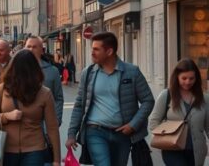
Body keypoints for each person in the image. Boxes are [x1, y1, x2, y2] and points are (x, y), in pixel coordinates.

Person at [66, 32, 154, 166]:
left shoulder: (132, 72)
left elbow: (148, 100)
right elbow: (79, 105)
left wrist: (133, 125)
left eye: (96, 49)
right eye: (92, 49)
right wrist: (72, 134)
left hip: (122, 134)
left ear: (109, 51)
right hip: (95, 131)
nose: (92, 53)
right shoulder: (88, 73)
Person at [0, 50, 61, 166]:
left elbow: (52, 128)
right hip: (6, 149)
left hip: (35, 150)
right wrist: (7, 116)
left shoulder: (44, 93)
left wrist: (57, 160)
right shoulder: (3, 89)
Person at [148, 59, 209, 166]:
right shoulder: (166, 95)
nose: (188, 82)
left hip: (197, 151)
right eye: (184, 78)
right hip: (172, 149)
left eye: (191, 78)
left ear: (197, 78)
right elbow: (153, 122)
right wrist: (164, 135)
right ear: (177, 77)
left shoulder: (205, 98)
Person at [25, 37, 63, 125]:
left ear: (42, 50)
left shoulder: (53, 71)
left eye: (34, 47)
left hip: (46, 123)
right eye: (28, 47)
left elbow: (58, 98)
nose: (31, 49)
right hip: (23, 125)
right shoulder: (16, 69)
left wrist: (56, 120)